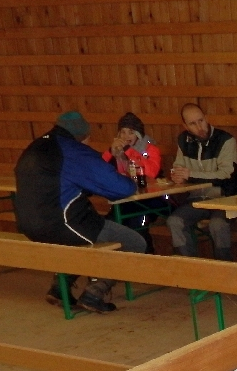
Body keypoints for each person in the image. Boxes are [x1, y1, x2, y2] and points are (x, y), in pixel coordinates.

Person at [14, 110, 146, 313]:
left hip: (27, 225)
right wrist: (131, 181)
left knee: (83, 235)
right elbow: (121, 188)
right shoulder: (74, 151)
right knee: (134, 242)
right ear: (83, 136)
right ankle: (94, 293)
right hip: (61, 224)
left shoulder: (36, 146)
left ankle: (59, 288)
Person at [166, 103, 237, 261]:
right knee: (174, 221)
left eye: (201, 121)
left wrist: (190, 175)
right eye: (193, 123)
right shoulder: (183, 140)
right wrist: (177, 175)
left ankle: (223, 268)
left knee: (217, 225)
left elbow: (226, 175)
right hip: (196, 200)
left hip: (225, 198)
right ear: (185, 126)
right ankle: (191, 267)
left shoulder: (226, 140)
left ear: (206, 118)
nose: (199, 127)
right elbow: (178, 167)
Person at [102, 112, 163, 253]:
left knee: (138, 225)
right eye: (122, 132)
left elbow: (151, 172)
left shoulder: (150, 149)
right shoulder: (116, 151)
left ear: (138, 134)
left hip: (150, 201)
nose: (126, 136)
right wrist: (111, 152)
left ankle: (147, 257)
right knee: (109, 225)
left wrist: (129, 151)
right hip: (125, 201)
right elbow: (101, 169)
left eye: (131, 132)